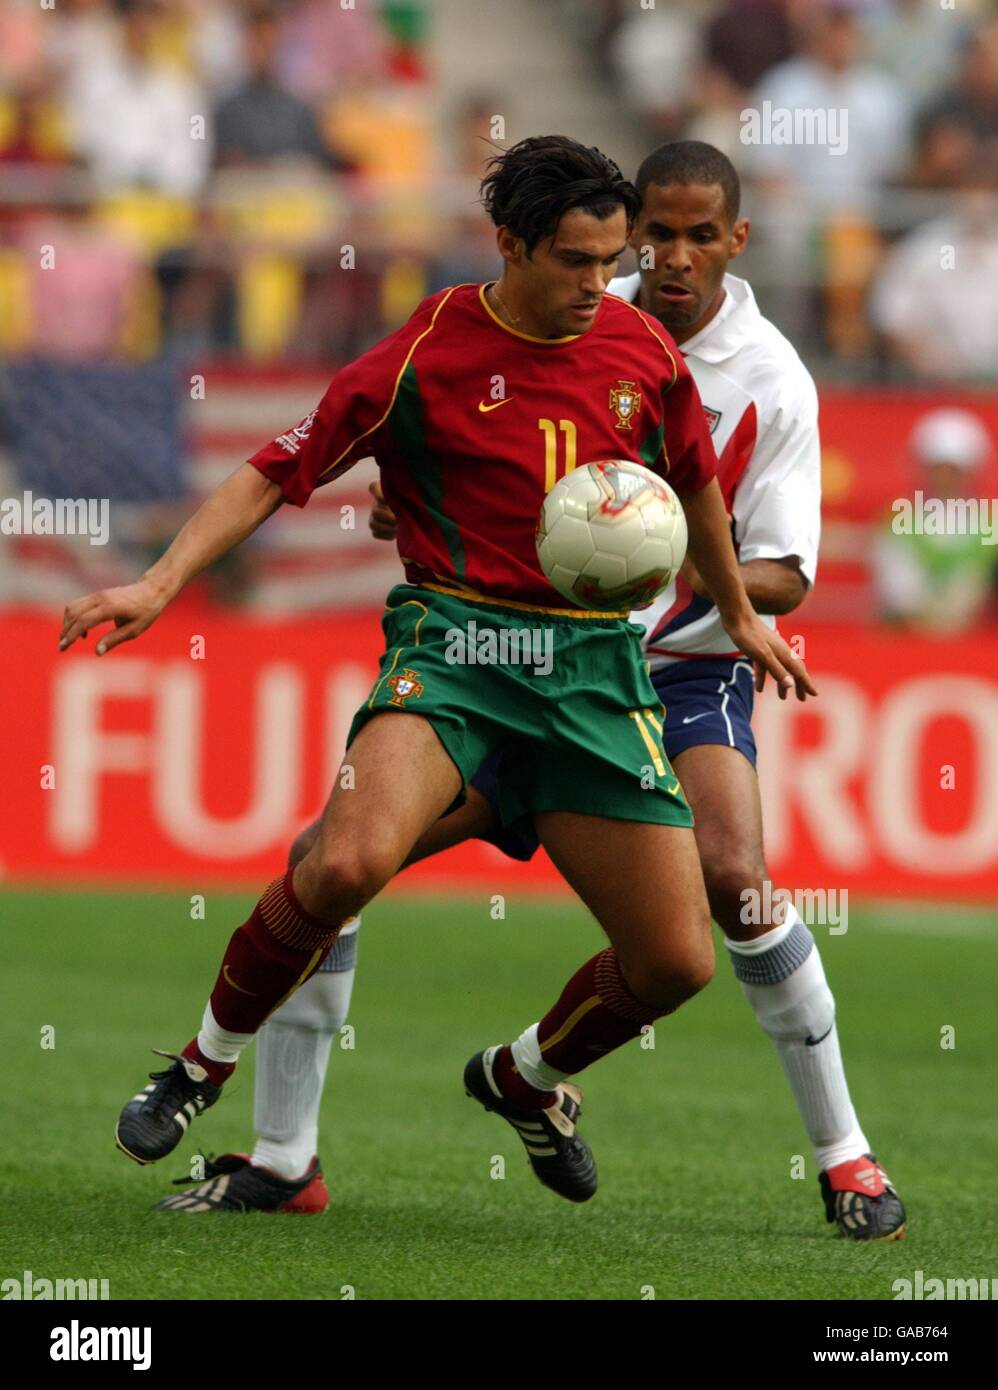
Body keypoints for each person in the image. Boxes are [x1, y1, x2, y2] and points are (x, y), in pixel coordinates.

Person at [154, 141, 905, 1242]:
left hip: (649, 670)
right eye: (644, 238)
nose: (653, 262)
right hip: (478, 660)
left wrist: (719, 603)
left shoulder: (756, 376)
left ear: (735, 241)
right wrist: (415, 493)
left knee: (729, 880)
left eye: (690, 238)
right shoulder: (485, 335)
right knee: (334, 858)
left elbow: (758, 544)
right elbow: (374, 451)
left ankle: (823, 1150)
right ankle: (279, 1152)